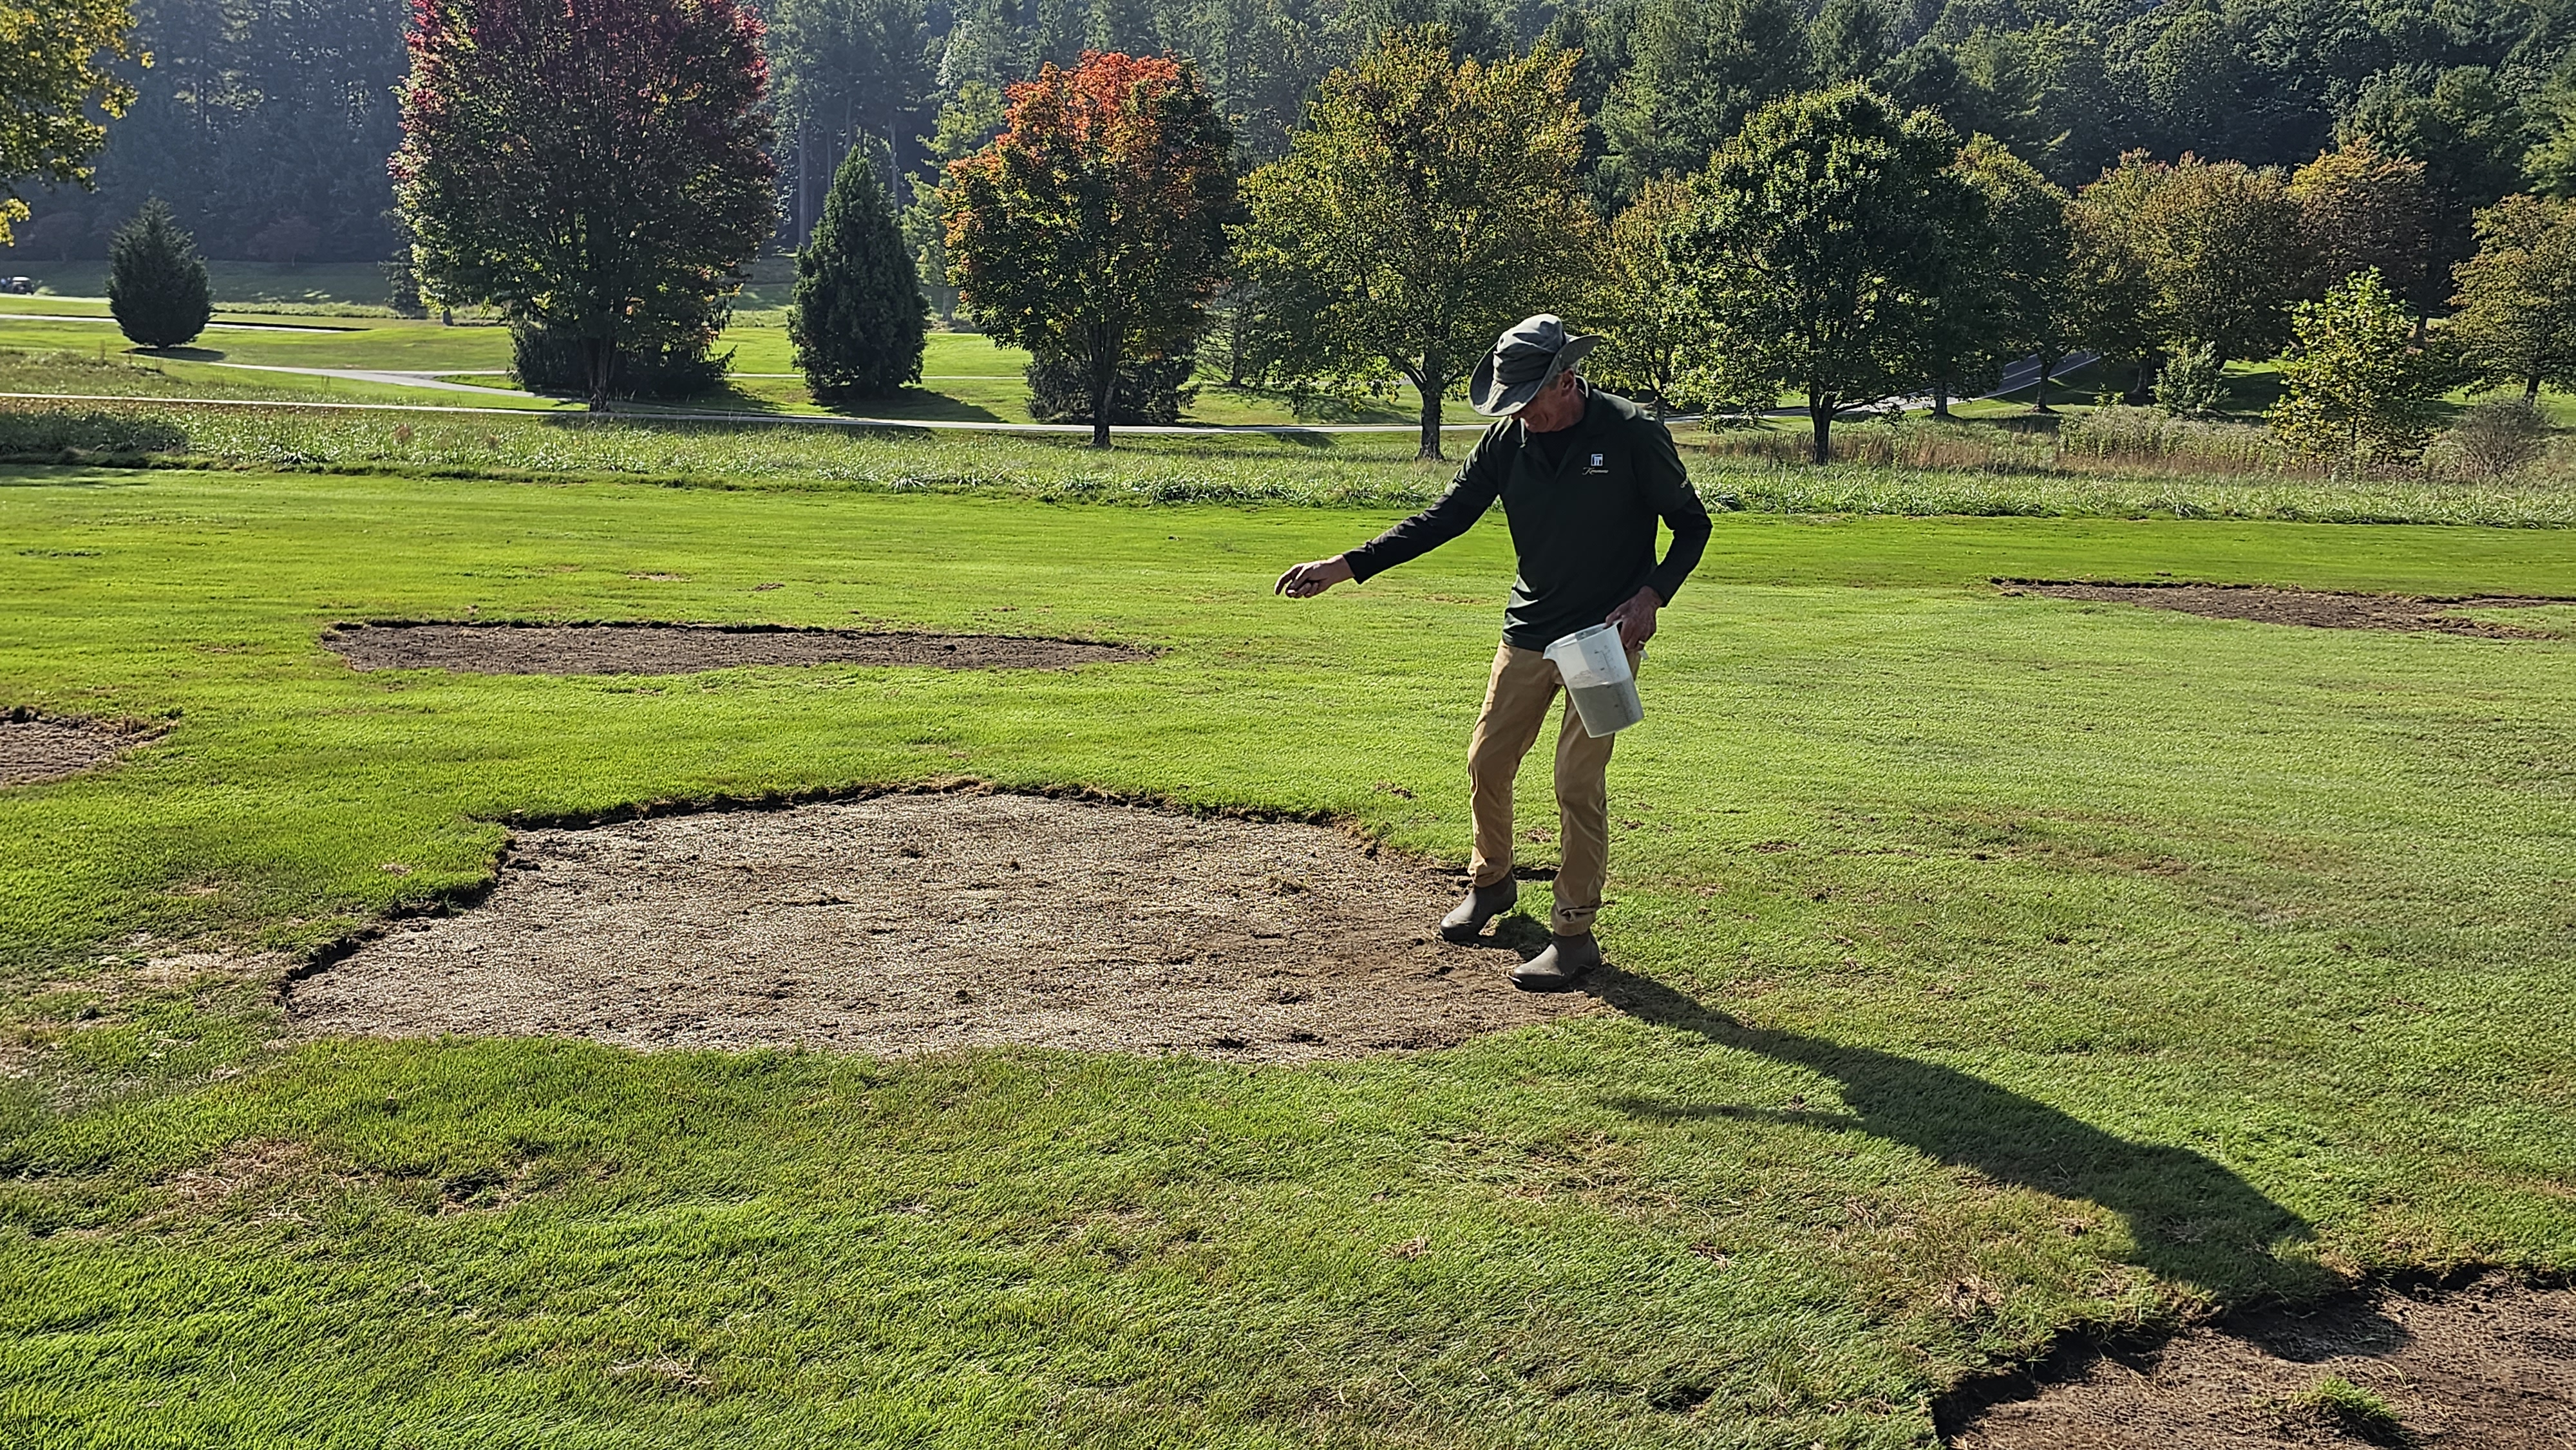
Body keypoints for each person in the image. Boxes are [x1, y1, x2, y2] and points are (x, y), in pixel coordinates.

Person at [1276, 314, 1710, 988]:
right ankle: (1493, 883)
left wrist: (1652, 595)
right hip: (1528, 628)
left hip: (1604, 638)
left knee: (1575, 780)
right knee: (1486, 758)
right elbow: (1444, 518)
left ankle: (1573, 932)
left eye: (1529, 400)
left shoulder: (1631, 433)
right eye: (1510, 403)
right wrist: (1346, 566)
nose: (1520, 414)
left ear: (1567, 381)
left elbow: (1691, 525)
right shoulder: (1508, 439)